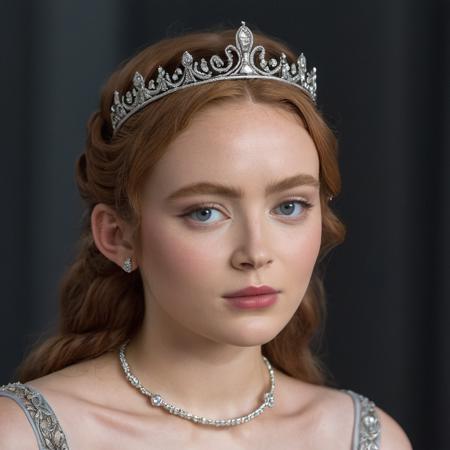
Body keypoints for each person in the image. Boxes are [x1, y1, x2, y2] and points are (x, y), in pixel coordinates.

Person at [0, 21, 412, 450]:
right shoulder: (22, 436)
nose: (255, 252)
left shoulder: (365, 438)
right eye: (205, 212)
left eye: (289, 207)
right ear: (118, 235)